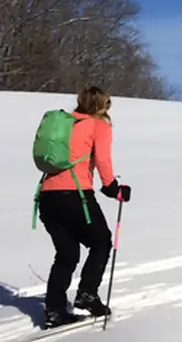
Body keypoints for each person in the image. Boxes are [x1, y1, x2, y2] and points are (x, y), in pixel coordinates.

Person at [36, 86, 131, 328]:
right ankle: (87, 294)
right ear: (102, 105)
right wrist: (114, 189)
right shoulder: (98, 125)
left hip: (47, 196)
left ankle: (55, 310)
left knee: (66, 255)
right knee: (101, 242)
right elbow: (102, 161)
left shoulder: (66, 123)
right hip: (75, 195)